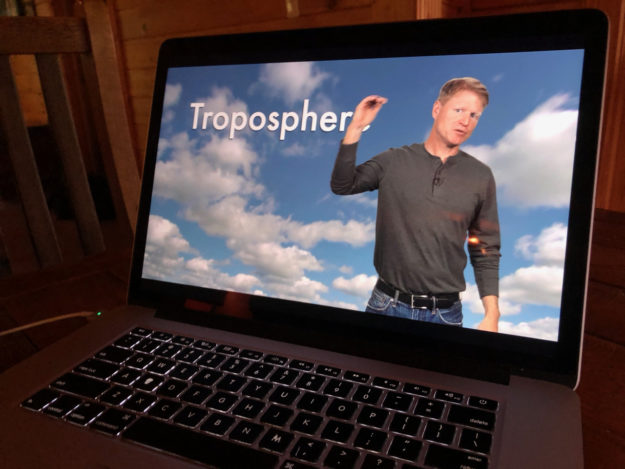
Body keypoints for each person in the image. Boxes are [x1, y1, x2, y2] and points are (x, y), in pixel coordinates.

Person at [330, 77, 501, 332]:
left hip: (446, 316)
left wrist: (492, 314)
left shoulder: (481, 176)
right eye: (459, 110)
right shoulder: (393, 160)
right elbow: (343, 185)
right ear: (436, 109)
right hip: (386, 306)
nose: (466, 121)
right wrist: (356, 127)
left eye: (474, 115)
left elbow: (486, 248)